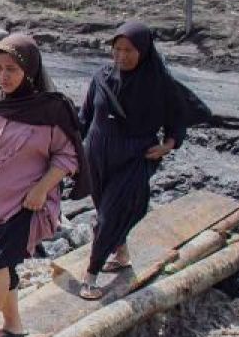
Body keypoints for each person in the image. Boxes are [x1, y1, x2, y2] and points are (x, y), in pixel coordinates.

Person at [0, 33, 88, 337]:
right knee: (1, 266)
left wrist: (42, 189)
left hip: (23, 203)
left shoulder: (50, 111)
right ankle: (14, 325)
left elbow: (68, 156)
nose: (3, 76)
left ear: (29, 71)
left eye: (12, 69)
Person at [78, 21, 208, 300]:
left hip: (135, 156)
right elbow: (85, 117)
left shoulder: (159, 84)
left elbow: (178, 117)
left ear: (144, 50)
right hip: (97, 156)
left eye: (129, 50)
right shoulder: (101, 77)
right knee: (105, 207)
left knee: (108, 216)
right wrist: (70, 150)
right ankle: (122, 254)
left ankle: (91, 275)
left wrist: (168, 146)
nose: (121, 56)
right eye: (117, 49)